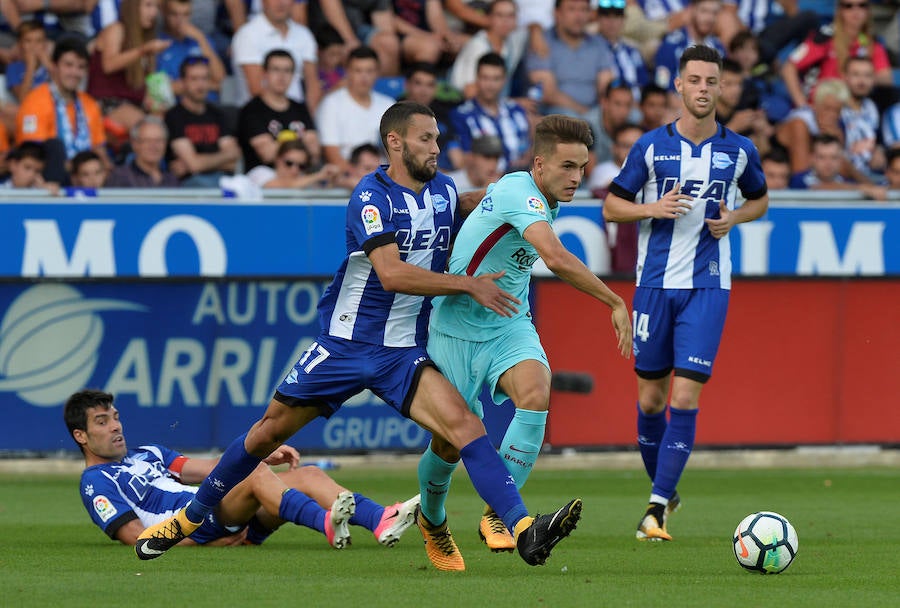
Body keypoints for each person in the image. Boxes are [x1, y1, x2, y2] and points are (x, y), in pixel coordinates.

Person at [134, 101, 583, 571]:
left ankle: (522, 529)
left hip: (400, 353)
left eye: (437, 139)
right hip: (343, 346)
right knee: (266, 433)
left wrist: (516, 192)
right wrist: (469, 284)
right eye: (426, 139)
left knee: (467, 429)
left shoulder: (445, 191)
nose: (436, 147)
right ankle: (190, 516)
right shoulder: (370, 197)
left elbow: (478, 202)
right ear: (395, 142)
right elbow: (390, 274)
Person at [421, 114, 630, 560]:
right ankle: (432, 518)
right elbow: (554, 257)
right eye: (567, 167)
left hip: (509, 321)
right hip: (455, 327)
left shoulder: (527, 193)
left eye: (583, 167)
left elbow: (481, 200)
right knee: (448, 443)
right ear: (539, 165)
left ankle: (496, 514)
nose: (577, 177)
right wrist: (614, 301)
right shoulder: (523, 191)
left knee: (535, 392)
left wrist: (469, 203)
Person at [602, 45, 769, 541]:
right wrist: (651, 210)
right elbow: (612, 206)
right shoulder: (651, 147)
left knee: (685, 394)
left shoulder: (740, 151)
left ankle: (655, 508)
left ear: (720, 87)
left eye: (710, 81)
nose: (702, 89)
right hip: (653, 286)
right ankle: (664, 487)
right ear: (679, 85)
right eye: (693, 80)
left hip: (708, 286)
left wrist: (734, 218)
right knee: (651, 400)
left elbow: (759, 199)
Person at [65, 389, 420, 549]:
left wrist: (260, 456)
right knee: (248, 475)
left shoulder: (149, 452)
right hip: (195, 523)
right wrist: (204, 542)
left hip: (219, 510)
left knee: (308, 474)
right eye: (102, 422)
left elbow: (210, 469)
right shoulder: (95, 483)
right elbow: (133, 538)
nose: (115, 426)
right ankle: (325, 522)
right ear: (81, 435)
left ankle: (379, 520)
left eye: (115, 417)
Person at [15, 36, 110, 184]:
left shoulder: (90, 104)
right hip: (48, 183)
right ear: (54, 66)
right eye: (68, 65)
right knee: (54, 147)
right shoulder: (35, 101)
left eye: (81, 67)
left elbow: (99, 150)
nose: (74, 72)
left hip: (85, 179)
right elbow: (31, 155)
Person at [526, 0, 615, 141]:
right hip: (556, 111)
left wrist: (603, 111)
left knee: (632, 115)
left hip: (594, 112)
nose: (579, 16)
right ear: (557, 14)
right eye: (572, 9)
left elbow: (606, 84)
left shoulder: (598, 43)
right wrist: (584, 113)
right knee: (568, 119)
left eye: (584, 10)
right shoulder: (542, 41)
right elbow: (548, 93)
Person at [88, 0, 172, 132]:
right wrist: (143, 50)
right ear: (133, 7)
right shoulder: (116, 29)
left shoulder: (147, 38)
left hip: (135, 104)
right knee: (148, 129)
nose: (154, 12)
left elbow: (150, 81)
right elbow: (108, 65)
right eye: (148, 5)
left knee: (164, 125)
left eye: (157, 7)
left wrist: (158, 104)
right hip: (106, 102)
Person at [237, 49, 319, 172]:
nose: (282, 77)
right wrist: (300, 143)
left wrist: (279, 145)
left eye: (287, 71)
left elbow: (314, 151)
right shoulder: (252, 109)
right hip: (264, 176)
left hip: (300, 173)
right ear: (264, 73)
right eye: (275, 70)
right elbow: (267, 155)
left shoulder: (300, 108)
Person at [231, 0, 321, 112]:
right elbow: (256, 89)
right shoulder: (247, 34)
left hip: (296, 117)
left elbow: (313, 85)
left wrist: (308, 120)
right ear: (262, 2)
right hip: (257, 116)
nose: (281, 3)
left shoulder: (304, 34)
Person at [316, 46, 395, 173]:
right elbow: (332, 154)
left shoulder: (389, 105)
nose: (364, 77)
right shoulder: (331, 104)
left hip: (386, 179)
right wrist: (365, 180)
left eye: (370, 71)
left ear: (378, 72)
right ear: (347, 71)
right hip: (348, 180)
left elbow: (398, 151)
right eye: (358, 71)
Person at [164, 57, 241, 187]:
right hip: (191, 184)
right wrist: (224, 157)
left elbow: (233, 161)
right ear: (182, 82)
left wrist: (197, 163)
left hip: (223, 180)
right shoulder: (174, 116)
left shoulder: (218, 114)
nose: (200, 85)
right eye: (194, 79)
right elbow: (194, 165)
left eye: (204, 79)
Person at [449, 52, 531, 172]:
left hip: (521, 178)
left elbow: (528, 147)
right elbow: (464, 160)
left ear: (504, 80)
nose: (490, 85)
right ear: (477, 78)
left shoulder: (517, 111)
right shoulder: (461, 115)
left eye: (496, 78)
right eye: (485, 78)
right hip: (485, 184)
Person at [448, 0, 527, 99]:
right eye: (499, 15)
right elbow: (470, 92)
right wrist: (512, 104)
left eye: (510, 16)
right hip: (464, 104)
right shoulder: (478, 46)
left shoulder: (514, 41)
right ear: (489, 17)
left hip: (496, 107)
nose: (505, 21)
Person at [157, 0, 227, 98]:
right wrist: (209, 85)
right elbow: (158, 88)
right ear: (164, 14)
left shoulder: (202, 39)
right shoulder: (157, 44)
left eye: (185, 14)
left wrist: (200, 39)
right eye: (174, 14)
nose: (180, 20)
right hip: (177, 108)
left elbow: (221, 79)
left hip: (211, 106)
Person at [789, 132, 886, 199]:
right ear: (812, 159)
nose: (828, 163)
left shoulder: (847, 181)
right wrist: (860, 189)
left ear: (840, 160)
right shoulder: (798, 180)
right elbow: (819, 188)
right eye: (822, 157)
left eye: (833, 157)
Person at [106, 116, 179, 187]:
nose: (153, 146)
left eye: (159, 140)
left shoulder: (171, 180)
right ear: (135, 144)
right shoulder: (120, 177)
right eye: (147, 140)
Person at [246, 139, 340, 189]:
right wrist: (319, 175)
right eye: (289, 163)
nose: (294, 170)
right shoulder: (260, 172)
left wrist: (331, 178)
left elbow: (323, 192)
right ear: (277, 159)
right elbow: (281, 186)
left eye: (301, 166)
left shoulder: (305, 180)